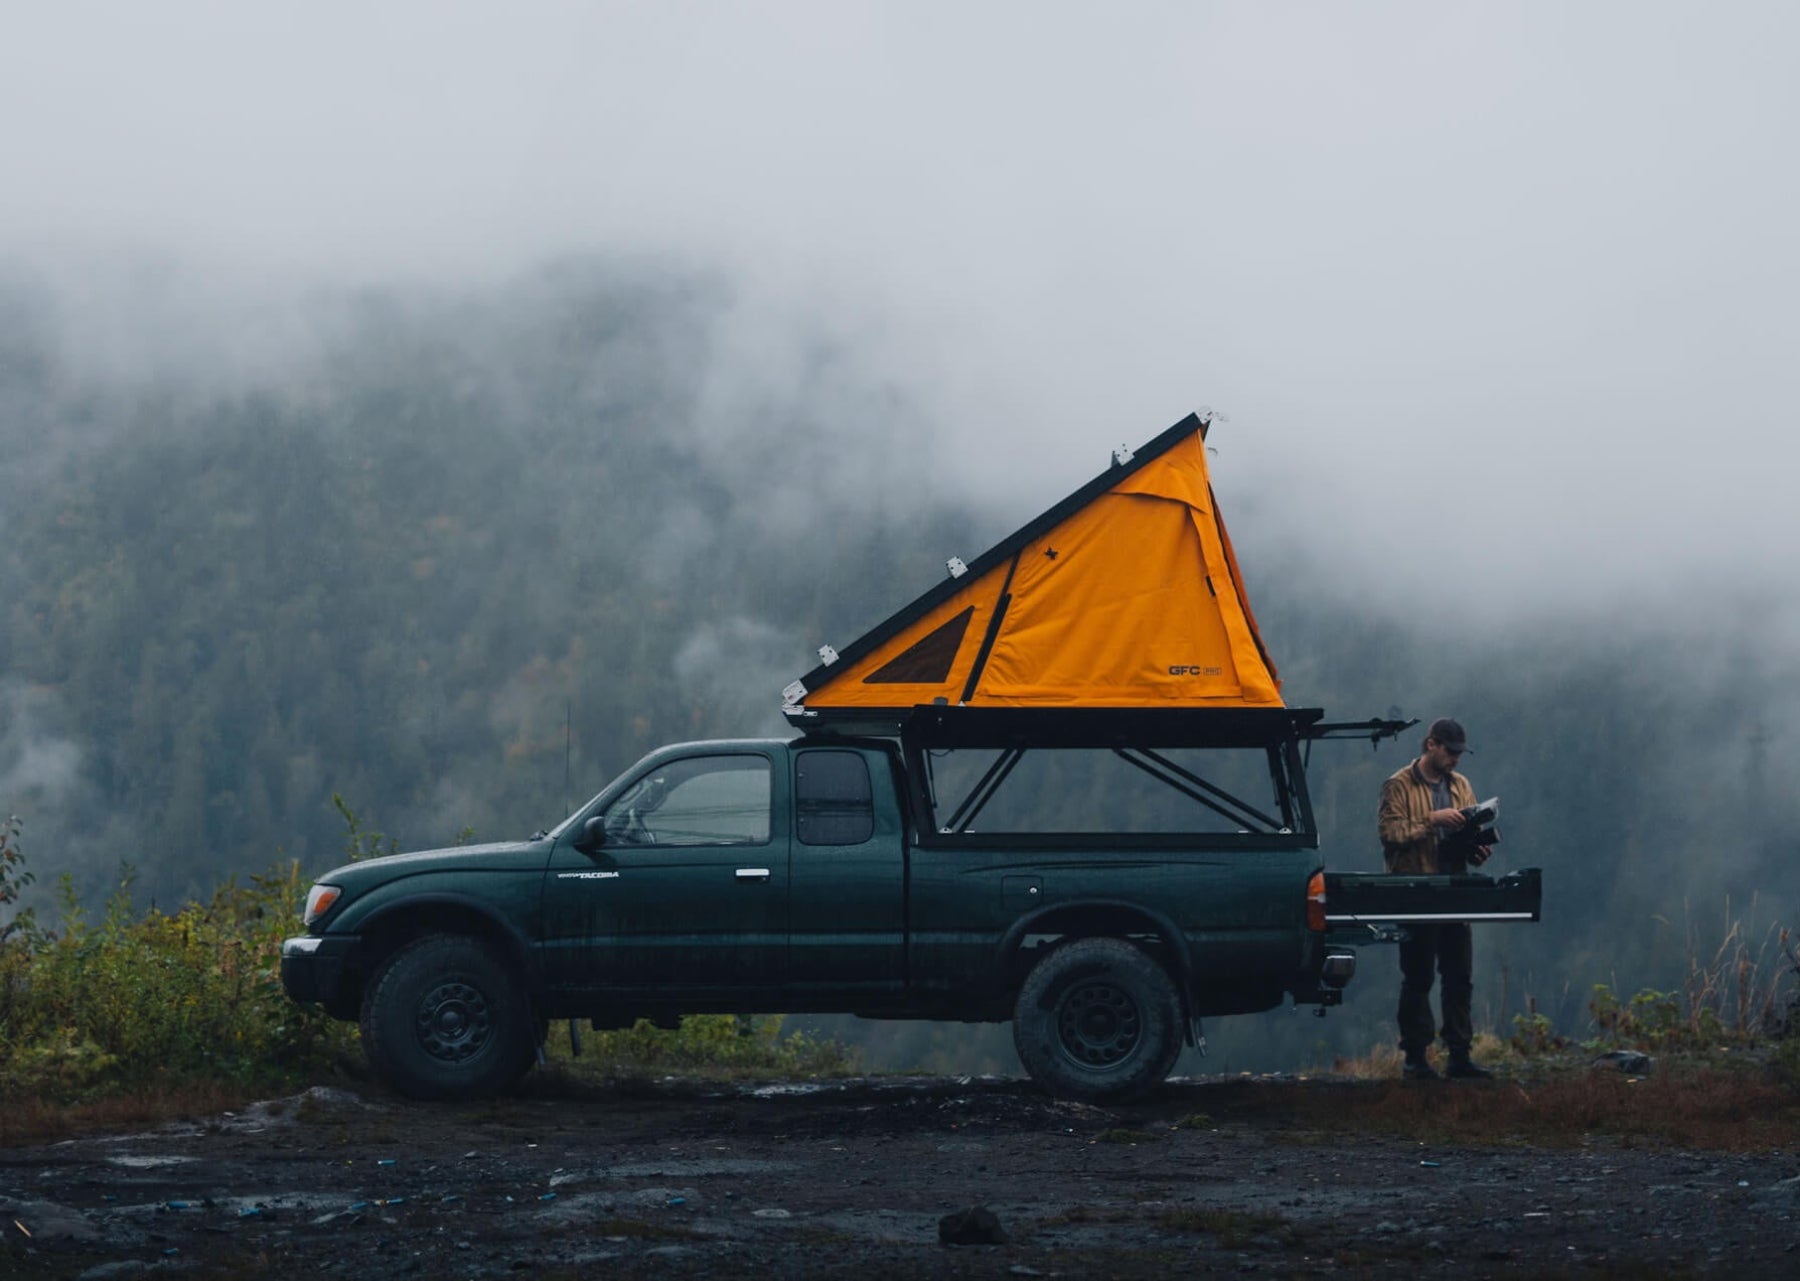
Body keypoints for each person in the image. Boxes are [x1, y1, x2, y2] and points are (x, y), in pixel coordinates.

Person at [1377, 717, 1494, 1081]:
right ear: (1432, 745)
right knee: (1418, 976)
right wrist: (1433, 819)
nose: (1456, 760)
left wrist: (1477, 849)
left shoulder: (1462, 785)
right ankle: (1416, 1056)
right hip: (1415, 893)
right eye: (1451, 751)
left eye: (1460, 753)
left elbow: (1469, 830)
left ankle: (1459, 1053)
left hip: (1455, 891)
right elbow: (1390, 833)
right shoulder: (1397, 785)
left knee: (1459, 976)